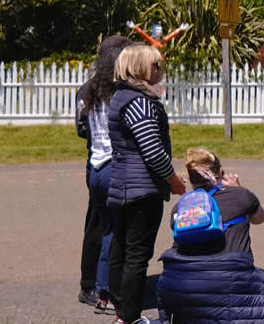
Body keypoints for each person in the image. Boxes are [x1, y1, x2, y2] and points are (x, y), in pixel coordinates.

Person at [103, 43, 189, 324]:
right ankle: (129, 317)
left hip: (123, 187)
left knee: (121, 250)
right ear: (139, 68)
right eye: (155, 65)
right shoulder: (139, 103)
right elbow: (152, 151)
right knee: (136, 256)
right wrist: (175, 182)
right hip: (141, 191)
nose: (160, 70)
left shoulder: (122, 97)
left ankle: (121, 312)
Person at [157, 147, 264, 323]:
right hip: (232, 278)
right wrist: (239, 188)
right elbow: (261, 217)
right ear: (219, 173)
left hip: (184, 284)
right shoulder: (240, 195)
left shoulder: (180, 208)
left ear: (190, 179)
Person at [76, 35, 134, 314]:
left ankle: (93, 284)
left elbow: (81, 128)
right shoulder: (119, 90)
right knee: (110, 228)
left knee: (98, 224)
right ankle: (101, 287)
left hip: (94, 163)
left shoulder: (87, 89)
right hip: (113, 164)